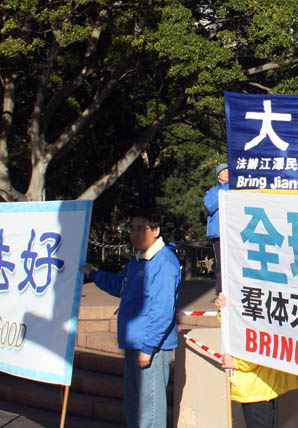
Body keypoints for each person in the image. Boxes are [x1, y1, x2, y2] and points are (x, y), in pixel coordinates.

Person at [83, 207, 180, 428]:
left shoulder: (164, 263)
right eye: (132, 229)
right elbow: (121, 285)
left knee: (150, 412)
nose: (134, 234)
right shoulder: (138, 259)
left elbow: (162, 311)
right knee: (134, 408)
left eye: (140, 229)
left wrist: (148, 347)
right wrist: (93, 274)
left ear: (155, 231)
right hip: (133, 343)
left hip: (150, 348)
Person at [215, 295, 298, 427]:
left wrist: (236, 362)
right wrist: (223, 309)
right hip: (258, 384)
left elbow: (258, 346)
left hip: (256, 385)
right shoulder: (256, 298)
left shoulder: (258, 302)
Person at [204, 163, 229, 302]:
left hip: (233, 232)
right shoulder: (212, 191)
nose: (227, 172)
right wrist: (223, 195)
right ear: (218, 175)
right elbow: (209, 206)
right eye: (223, 171)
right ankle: (220, 292)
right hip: (219, 233)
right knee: (220, 263)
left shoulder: (236, 188)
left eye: (228, 170)